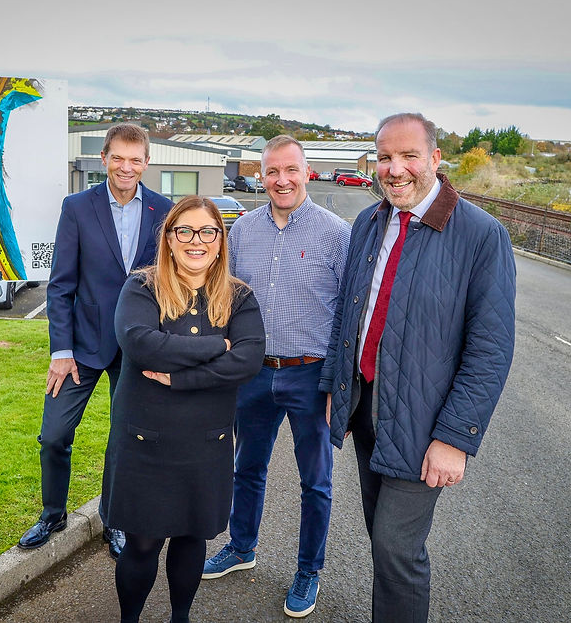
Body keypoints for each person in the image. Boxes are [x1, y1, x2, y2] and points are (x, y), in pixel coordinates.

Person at [320, 113, 516, 623]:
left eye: (408, 156)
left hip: (424, 422)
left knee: (396, 549)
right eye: (385, 157)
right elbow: (349, 312)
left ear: (434, 159)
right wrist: (333, 387)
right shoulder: (369, 221)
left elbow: (490, 348)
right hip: (366, 408)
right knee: (381, 540)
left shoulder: (480, 235)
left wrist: (455, 437)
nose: (395, 169)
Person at [202, 135, 350, 618]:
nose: (281, 180)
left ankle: (309, 571)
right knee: (247, 466)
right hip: (254, 374)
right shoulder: (242, 231)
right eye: (272, 172)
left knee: (316, 481)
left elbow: (350, 316)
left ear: (307, 171)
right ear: (260, 175)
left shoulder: (336, 234)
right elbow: (225, 301)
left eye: (290, 170)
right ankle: (242, 547)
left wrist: (338, 383)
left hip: (311, 376)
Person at [100, 195, 266, 623]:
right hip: (145, 441)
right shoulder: (142, 286)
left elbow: (249, 358)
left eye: (208, 231)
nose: (198, 240)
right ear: (169, 239)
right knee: (142, 543)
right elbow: (140, 344)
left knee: (193, 538)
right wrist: (217, 347)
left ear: (220, 239)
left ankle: (180, 617)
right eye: (185, 231)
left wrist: (180, 376)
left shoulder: (239, 296)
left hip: (206, 441)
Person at [18, 124, 173, 558]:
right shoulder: (77, 207)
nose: (127, 167)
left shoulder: (164, 209)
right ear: (104, 158)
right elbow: (60, 285)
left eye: (135, 159)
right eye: (118, 158)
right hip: (81, 348)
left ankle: (113, 518)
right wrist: (61, 351)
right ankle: (53, 513)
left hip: (137, 348)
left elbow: (170, 281)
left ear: (146, 162)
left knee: (123, 440)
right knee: (54, 435)